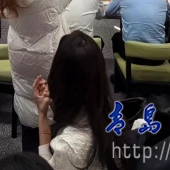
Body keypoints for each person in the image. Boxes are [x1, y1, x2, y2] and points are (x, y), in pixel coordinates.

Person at [0, 0, 77, 152]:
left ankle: (30, 158)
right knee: (50, 103)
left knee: (27, 96)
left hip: (19, 54)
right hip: (50, 55)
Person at [33, 32, 132, 169]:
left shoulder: (68, 147)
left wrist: (42, 115)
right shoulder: (113, 117)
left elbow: (46, 167)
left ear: (59, 78)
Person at [106, 0, 170, 59]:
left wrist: (125, 11)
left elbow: (108, 12)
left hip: (131, 55)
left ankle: (121, 69)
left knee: (116, 37)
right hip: (158, 56)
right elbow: (168, 17)